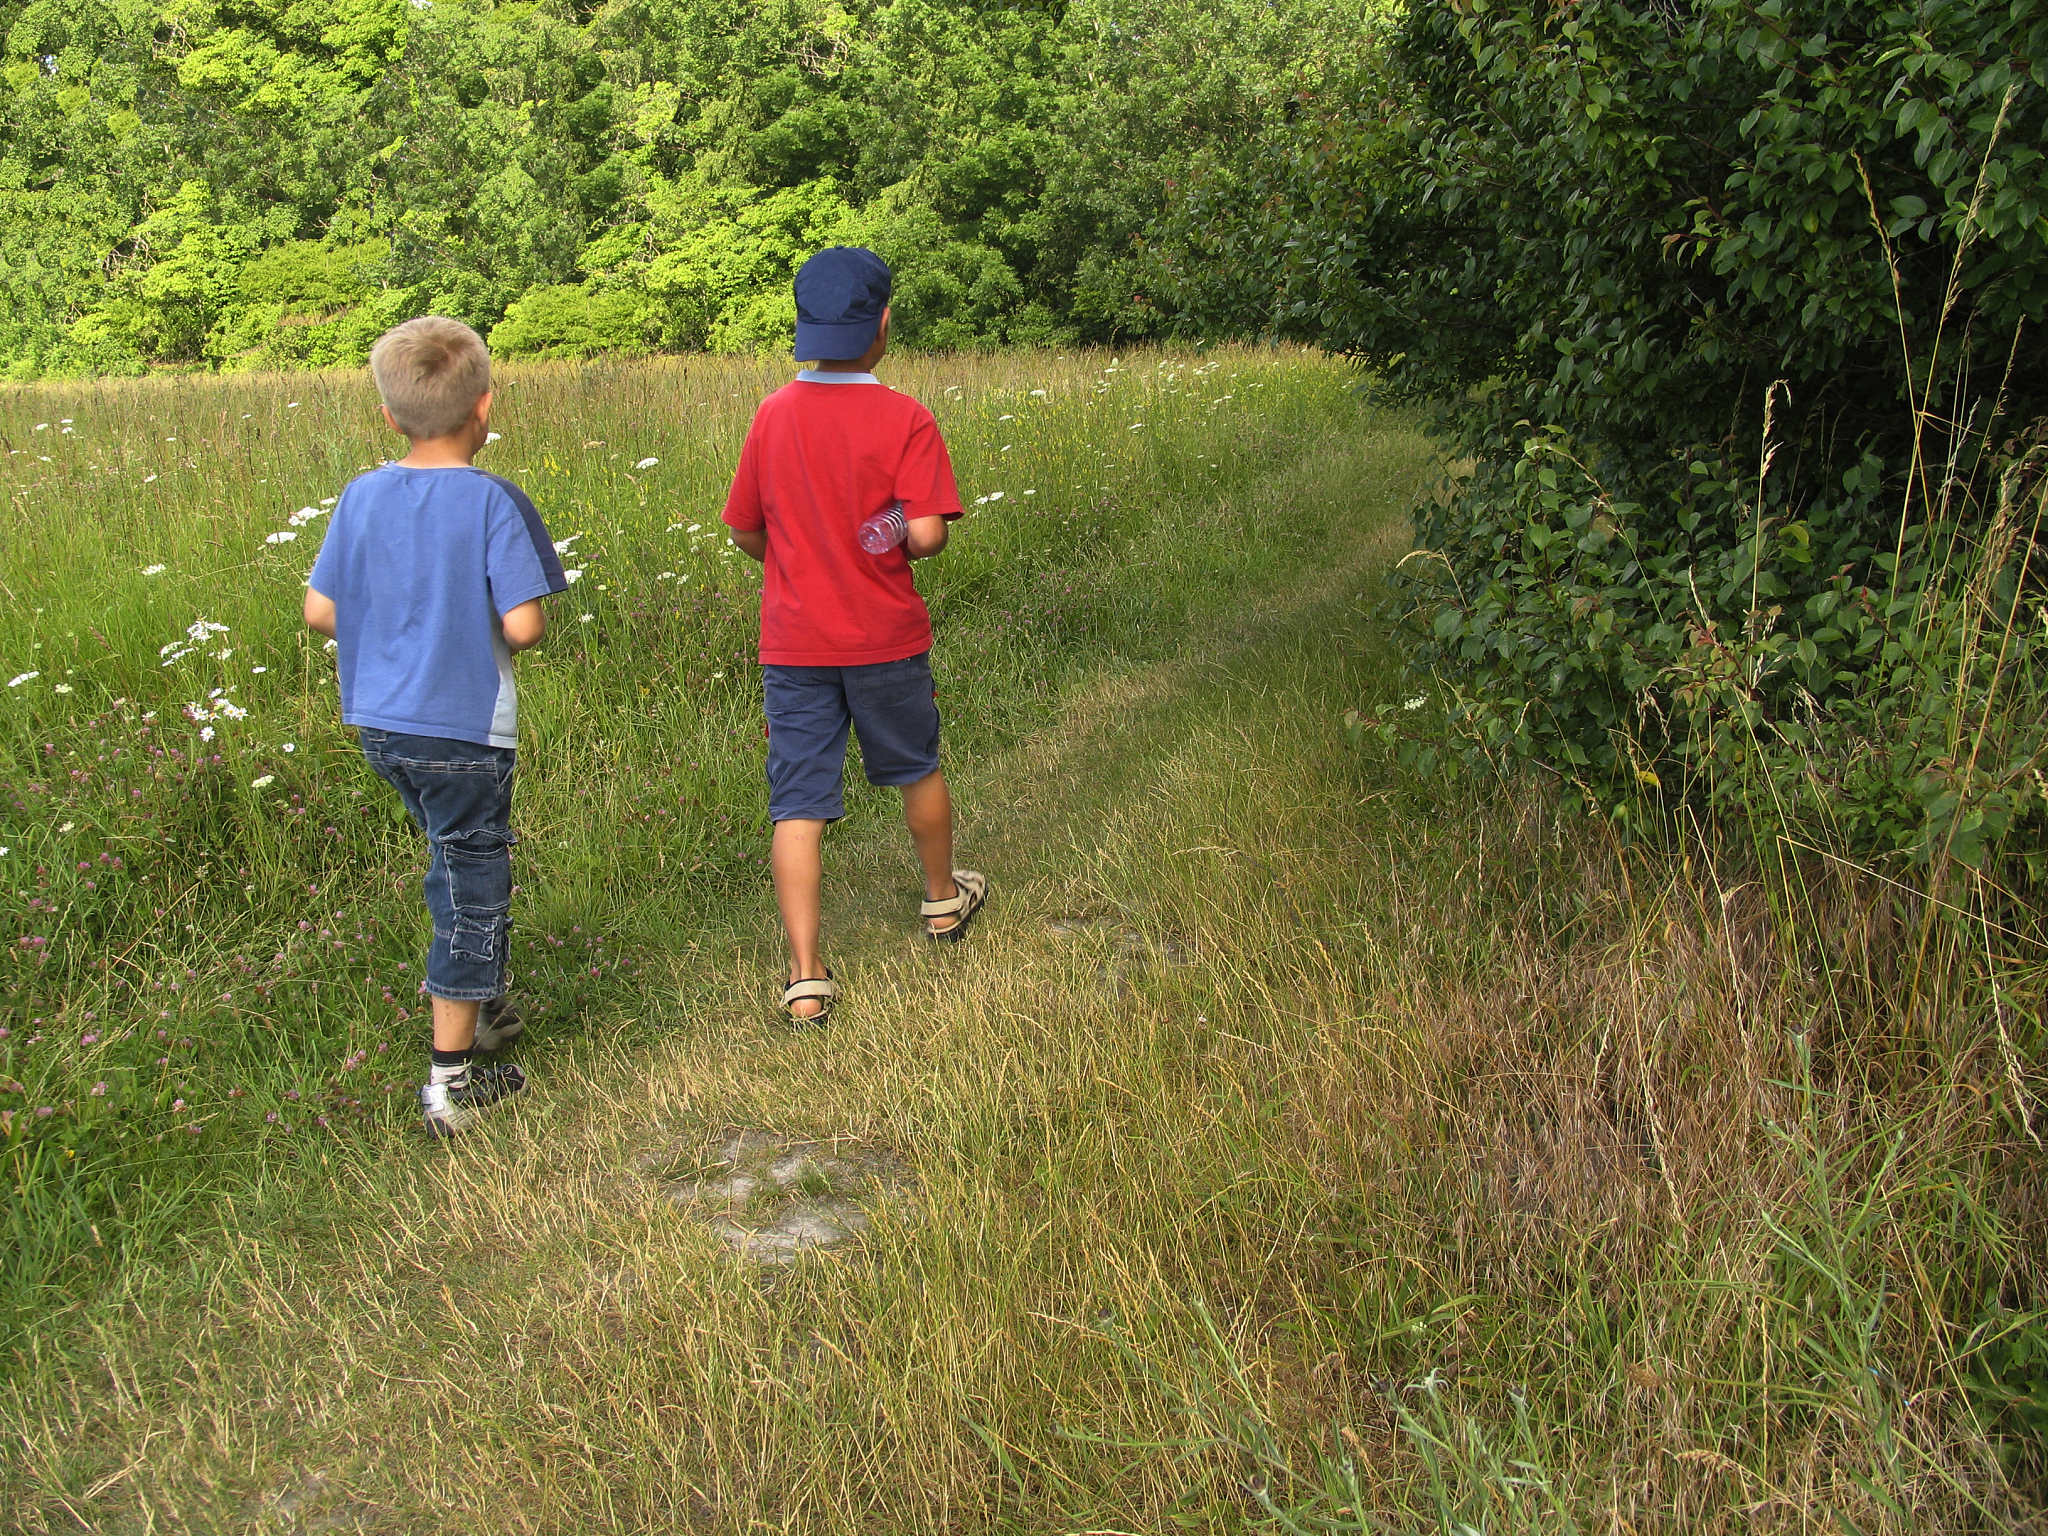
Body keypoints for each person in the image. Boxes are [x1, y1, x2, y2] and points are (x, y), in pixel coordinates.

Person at [304, 316, 569, 1136]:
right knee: (472, 893)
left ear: (390, 416)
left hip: (382, 726)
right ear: (484, 406)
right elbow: (524, 627)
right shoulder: (494, 499)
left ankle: (480, 1007)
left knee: (450, 865)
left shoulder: (360, 494)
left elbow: (320, 611)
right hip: (463, 732)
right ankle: (449, 1088)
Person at [722, 245, 989, 1024]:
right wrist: (895, 524)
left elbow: (743, 530)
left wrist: (796, 561)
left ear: (803, 328)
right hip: (884, 639)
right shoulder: (904, 416)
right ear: (883, 324)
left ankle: (806, 976)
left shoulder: (772, 415)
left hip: (796, 644)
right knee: (915, 766)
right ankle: (942, 901)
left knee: (797, 803)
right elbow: (929, 536)